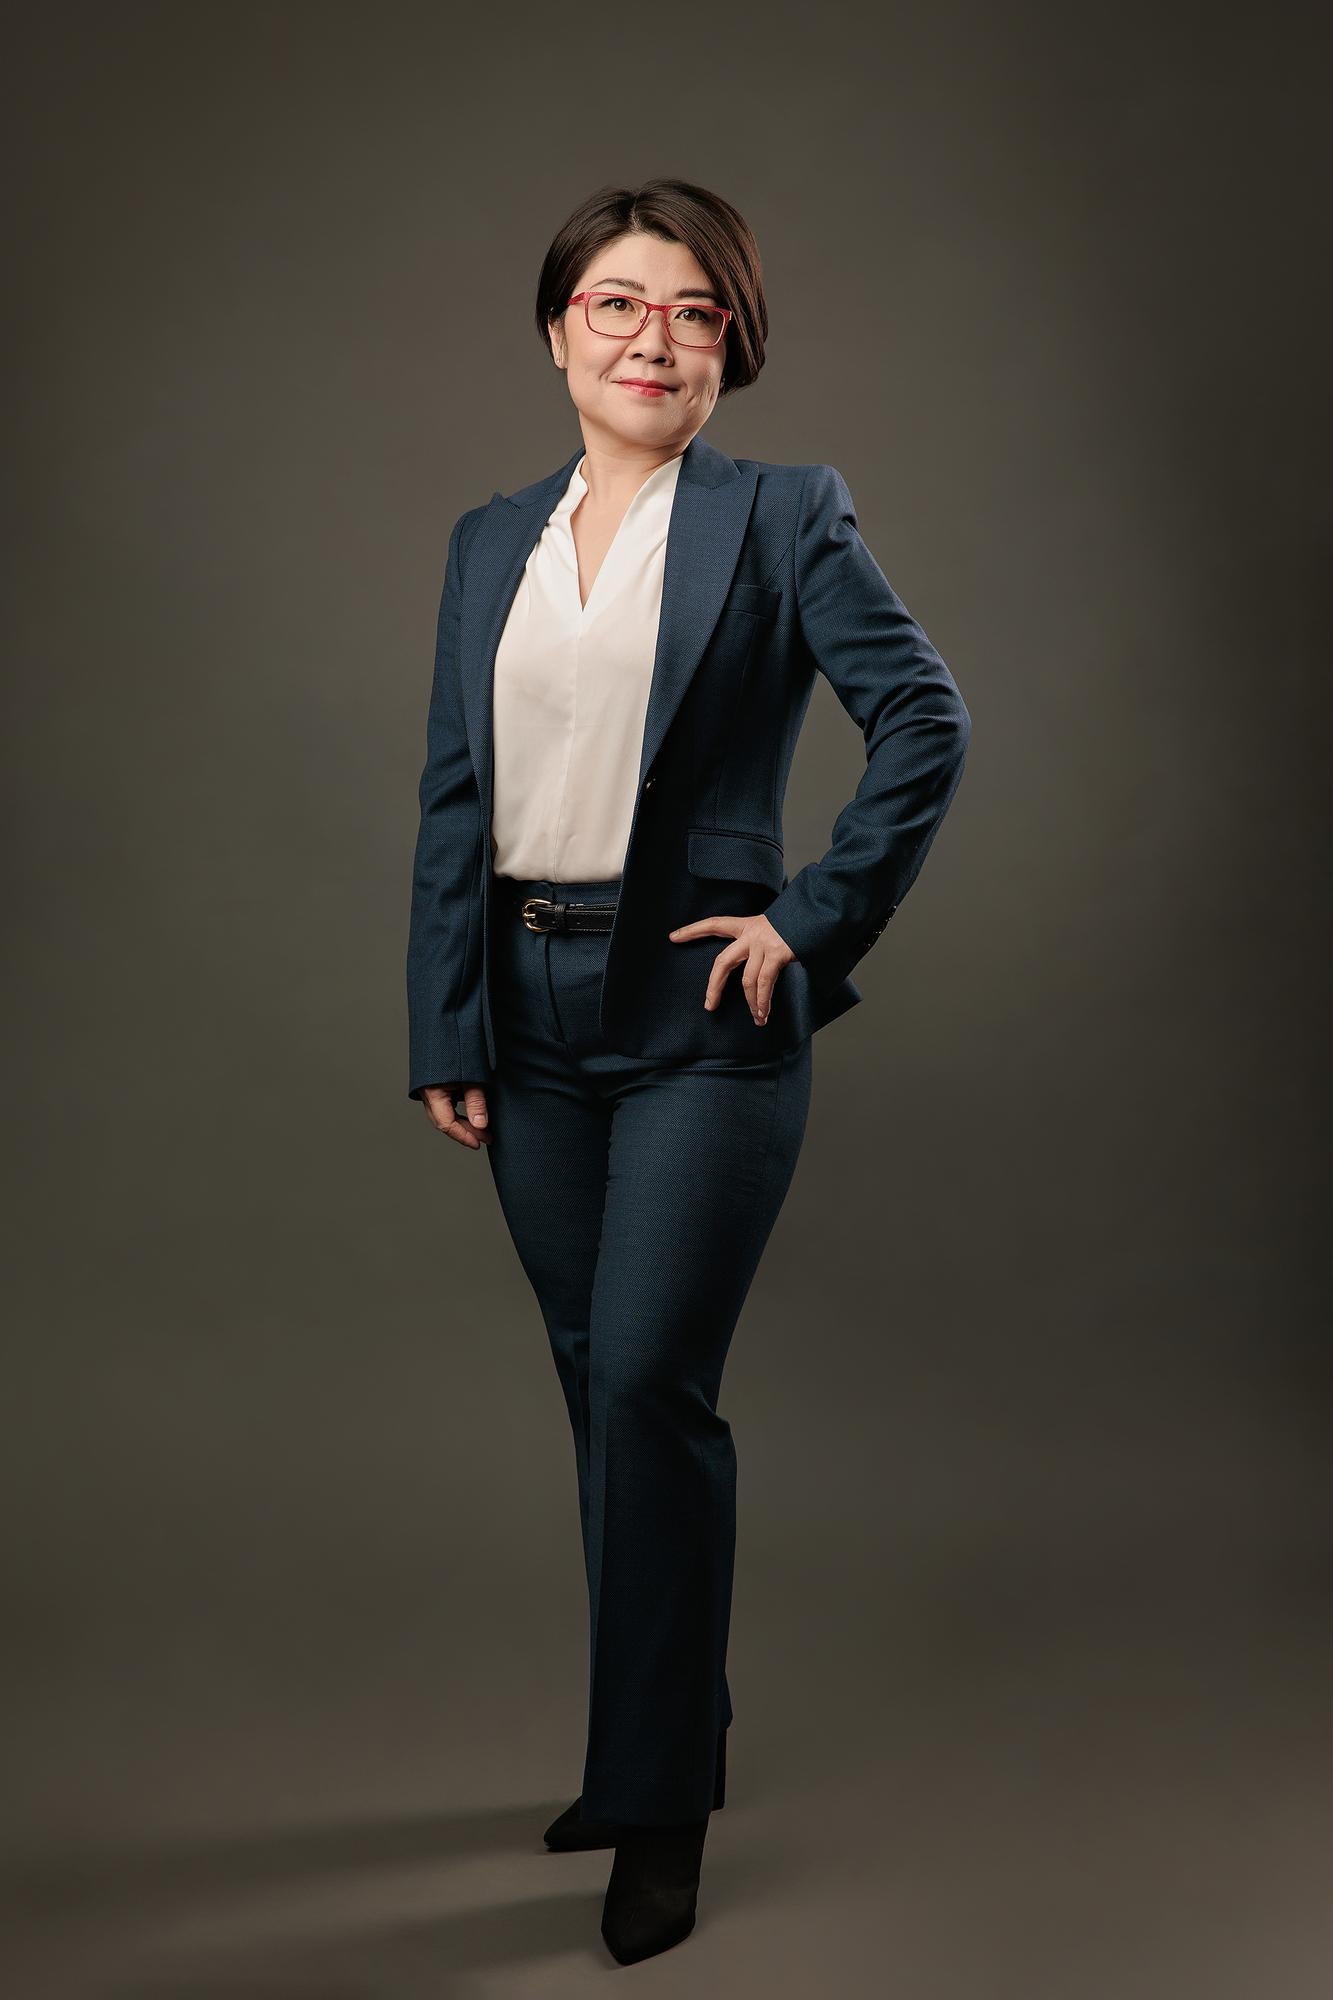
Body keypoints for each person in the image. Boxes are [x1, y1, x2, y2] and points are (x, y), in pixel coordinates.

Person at [405, 177, 971, 1965]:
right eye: (621, 307)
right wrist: (444, 1022)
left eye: (696, 314)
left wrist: (807, 921)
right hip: (528, 1018)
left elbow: (923, 719)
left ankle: (658, 1804)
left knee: (651, 1383)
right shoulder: (489, 540)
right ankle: (657, 1731)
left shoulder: (784, 516)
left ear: (730, 346)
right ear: (558, 331)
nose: (657, 340)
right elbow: (452, 795)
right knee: (595, 1388)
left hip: (700, 1024)